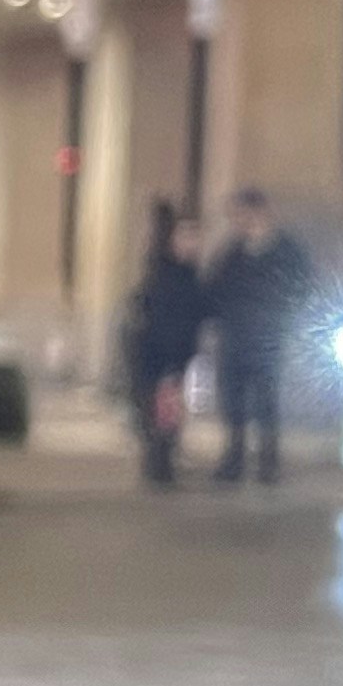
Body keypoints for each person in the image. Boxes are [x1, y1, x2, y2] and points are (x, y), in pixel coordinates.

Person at [203, 187, 311, 485]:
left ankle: (268, 463)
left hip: (267, 339)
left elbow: (302, 288)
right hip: (235, 338)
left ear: (258, 212)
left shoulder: (286, 251)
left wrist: (281, 319)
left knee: (266, 402)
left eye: (240, 214)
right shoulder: (233, 251)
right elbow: (215, 288)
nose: (237, 221)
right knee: (233, 402)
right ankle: (234, 460)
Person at [126, 201, 208, 490]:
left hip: (176, 356)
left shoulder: (189, 274)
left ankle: (162, 464)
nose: (191, 244)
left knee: (168, 414)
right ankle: (159, 466)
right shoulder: (164, 274)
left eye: (195, 237)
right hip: (159, 356)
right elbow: (161, 318)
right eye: (186, 236)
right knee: (160, 413)